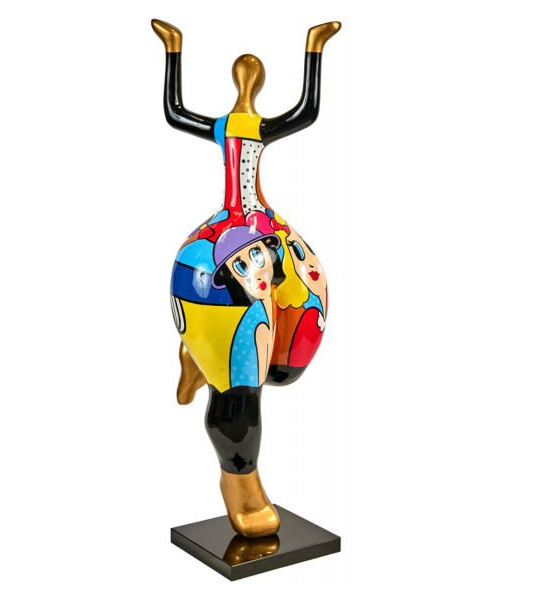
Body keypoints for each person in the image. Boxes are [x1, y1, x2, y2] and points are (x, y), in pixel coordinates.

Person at [153, 18, 341, 537]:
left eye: (251, 78)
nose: (247, 84)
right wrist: (173, 49)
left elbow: (305, 111)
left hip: (259, 233)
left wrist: (315, 47)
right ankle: (241, 482)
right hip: (237, 239)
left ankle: (195, 355)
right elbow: (174, 112)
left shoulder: (249, 126)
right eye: (244, 77)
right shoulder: (231, 127)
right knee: (241, 383)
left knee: (309, 296)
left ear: (254, 84)